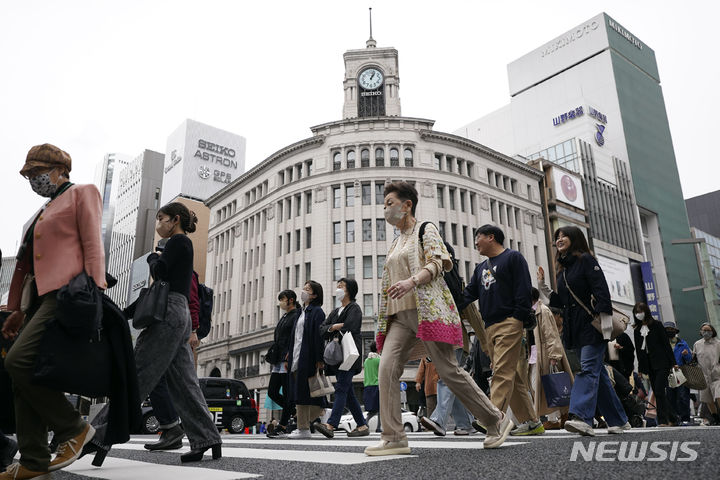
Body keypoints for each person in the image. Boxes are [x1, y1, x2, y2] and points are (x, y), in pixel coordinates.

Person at [366, 182, 511, 456]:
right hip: (398, 316)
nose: (385, 209)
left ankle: (495, 419)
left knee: (448, 371)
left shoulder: (425, 229)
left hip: (428, 311)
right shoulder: (396, 241)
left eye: (389, 203)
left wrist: (412, 281)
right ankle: (394, 437)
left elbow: (438, 263)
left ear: (407, 204)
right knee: (386, 370)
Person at [85, 202, 222, 465]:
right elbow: (161, 285)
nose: (159, 223)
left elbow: (160, 273)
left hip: (169, 313)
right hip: (177, 313)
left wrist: (153, 257)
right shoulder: (182, 245)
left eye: (162, 218)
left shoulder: (178, 242)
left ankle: (98, 436)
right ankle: (207, 438)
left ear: (176, 219)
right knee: (184, 383)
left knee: (137, 374)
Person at [1, 144, 105, 479]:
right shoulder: (43, 211)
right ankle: (33, 460)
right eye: (30, 174)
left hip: (68, 294)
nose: (33, 179)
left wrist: (94, 292)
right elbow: (27, 266)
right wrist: (16, 309)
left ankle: (73, 428)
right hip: (39, 301)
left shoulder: (81, 193)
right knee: (23, 374)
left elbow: (92, 242)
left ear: (59, 169)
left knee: (17, 362)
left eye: (37, 171)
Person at [538, 226, 629, 436]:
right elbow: (562, 302)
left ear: (575, 238)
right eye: (557, 237)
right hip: (574, 328)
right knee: (598, 375)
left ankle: (580, 417)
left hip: (591, 325)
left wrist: (605, 319)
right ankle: (619, 420)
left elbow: (601, 288)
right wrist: (543, 287)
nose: (559, 239)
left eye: (563, 236)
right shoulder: (563, 269)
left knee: (587, 369)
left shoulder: (586, 260)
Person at [457, 225, 542, 436]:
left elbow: (523, 289)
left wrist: (517, 318)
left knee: (501, 372)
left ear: (491, 237)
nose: (475, 242)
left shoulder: (513, 258)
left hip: (509, 323)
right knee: (511, 374)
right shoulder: (480, 268)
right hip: (489, 327)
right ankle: (532, 422)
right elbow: (468, 295)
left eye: (478, 237)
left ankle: (491, 417)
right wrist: (447, 306)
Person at [143, 265, 203, 451]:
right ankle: (173, 429)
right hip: (166, 329)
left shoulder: (185, 272)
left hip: (178, 331)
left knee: (183, 382)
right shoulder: (167, 271)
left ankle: (179, 429)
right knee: (173, 381)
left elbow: (192, 301)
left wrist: (194, 330)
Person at [316, 278, 369, 438]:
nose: (338, 288)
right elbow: (322, 329)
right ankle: (362, 426)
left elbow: (351, 327)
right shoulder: (335, 311)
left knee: (340, 388)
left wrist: (333, 327)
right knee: (348, 393)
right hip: (338, 357)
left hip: (349, 356)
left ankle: (331, 425)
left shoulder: (355, 308)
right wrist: (334, 326)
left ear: (350, 290)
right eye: (337, 285)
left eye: (341, 286)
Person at [287, 281, 327, 439]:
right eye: (303, 288)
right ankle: (310, 422)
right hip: (297, 355)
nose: (303, 291)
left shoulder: (317, 312)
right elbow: (295, 336)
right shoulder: (300, 312)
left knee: (306, 392)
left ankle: (304, 428)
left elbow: (318, 337)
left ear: (315, 295)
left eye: (308, 289)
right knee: (302, 392)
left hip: (308, 357)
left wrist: (319, 358)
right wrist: (290, 354)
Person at [530, 287, 573, 430]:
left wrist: (553, 355)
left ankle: (554, 418)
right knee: (542, 386)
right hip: (536, 354)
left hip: (544, 354)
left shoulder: (542, 311)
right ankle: (560, 415)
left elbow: (551, 334)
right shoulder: (534, 311)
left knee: (549, 385)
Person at [632, 302, 679, 426]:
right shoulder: (637, 330)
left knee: (658, 390)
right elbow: (639, 350)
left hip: (662, 362)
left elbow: (665, 344)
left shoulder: (657, 325)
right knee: (659, 392)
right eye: (636, 312)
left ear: (646, 311)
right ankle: (673, 418)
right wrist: (641, 368)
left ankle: (663, 420)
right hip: (649, 365)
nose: (639, 314)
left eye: (640, 311)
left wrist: (673, 362)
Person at [266, 290, 300, 438]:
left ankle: (283, 425)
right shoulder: (285, 316)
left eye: (283, 299)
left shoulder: (296, 315)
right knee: (272, 392)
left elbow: (295, 337)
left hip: (287, 358)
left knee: (287, 394)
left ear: (291, 300)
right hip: (278, 359)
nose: (280, 302)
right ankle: (293, 411)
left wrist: (289, 356)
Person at [420, 348, 477, 436]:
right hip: (447, 340)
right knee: (453, 380)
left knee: (447, 375)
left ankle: (439, 420)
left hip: (452, 339)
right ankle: (466, 423)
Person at [664, 321, 693, 424]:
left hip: (681, 373)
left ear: (675, 331)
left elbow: (690, 359)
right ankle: (674, 419)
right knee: (670, 397)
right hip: (669, 374)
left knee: (683, 396)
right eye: (667, 330)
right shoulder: (662, 344)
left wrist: (685, 354)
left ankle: (685, 418)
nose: (669, 332)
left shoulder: (682, 343)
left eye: (671, 330)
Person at [692, 322, 720, 425]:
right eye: (704, 330)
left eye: (708, 330)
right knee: (708, 400)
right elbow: (694, 360)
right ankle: (716, 418)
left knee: (718, 396)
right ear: (700, 332)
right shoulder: (697, 344)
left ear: (712, 332)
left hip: (717, 375)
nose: (706, 332)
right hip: (703, 376)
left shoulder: (718, 344)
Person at [363, 343, 381, 432]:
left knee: (372, 410)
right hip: (377, 385)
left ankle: (365, 424)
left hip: (367, 386)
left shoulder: (366, 361)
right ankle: (379, 427)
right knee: (380, 409)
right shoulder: (379, 360)